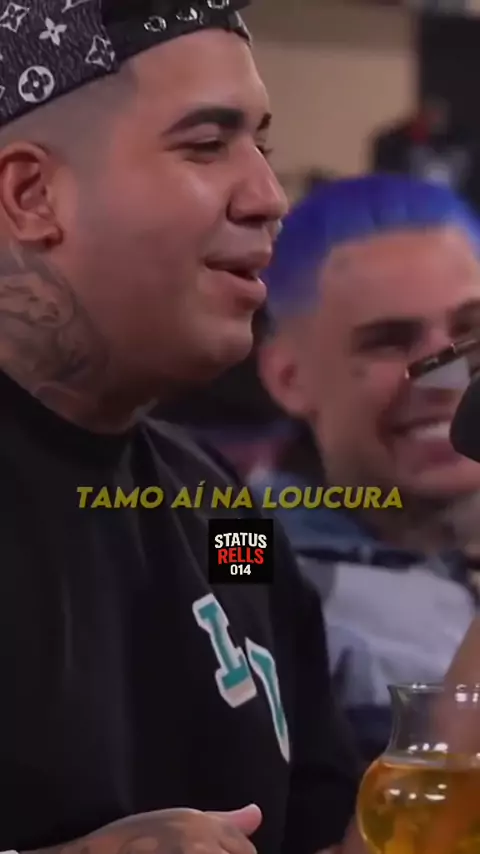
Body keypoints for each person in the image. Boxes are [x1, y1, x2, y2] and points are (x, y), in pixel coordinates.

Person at [0, 2, 361, 854]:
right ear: (32, 194)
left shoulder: (227, 515)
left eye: (262, 145)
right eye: (206, 144)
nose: (269, 197)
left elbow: (328, 830)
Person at [255, 174, 480, 760]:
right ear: (288, 377)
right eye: (390, 341)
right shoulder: (239, 550)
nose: (447, 376)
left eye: (470, 331)